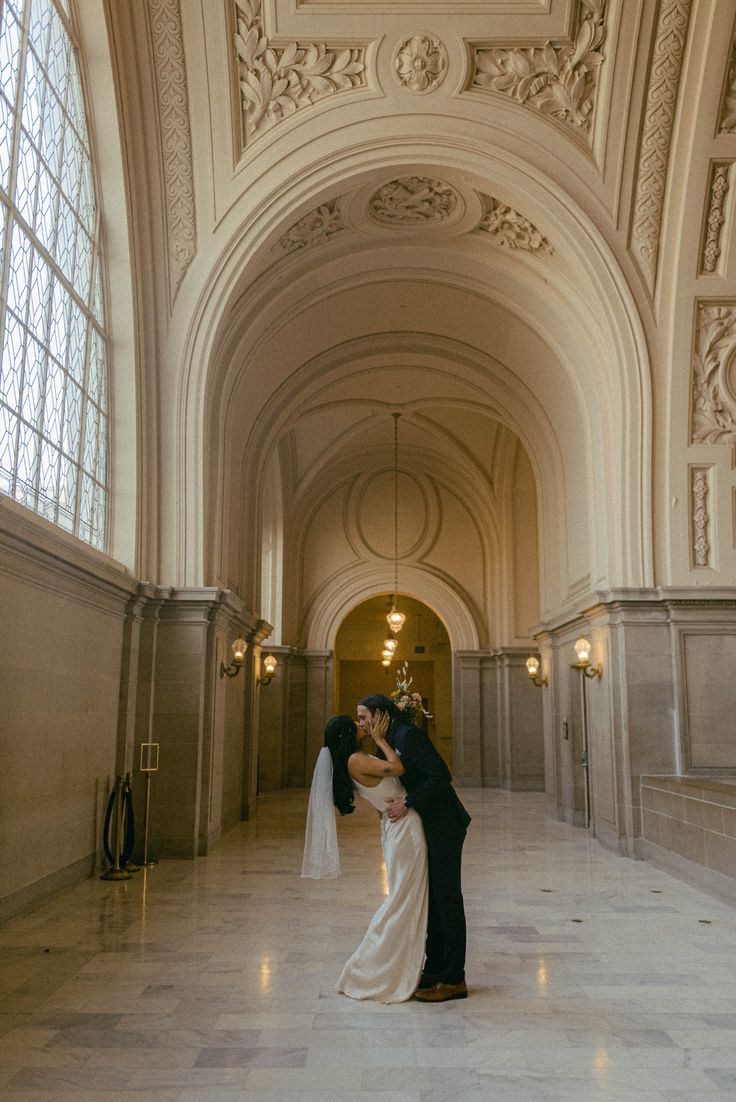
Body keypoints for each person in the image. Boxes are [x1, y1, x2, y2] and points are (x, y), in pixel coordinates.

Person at [301, 713, 428, 1003]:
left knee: (404, 898)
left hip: (395, 827)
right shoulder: (356, 760)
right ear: (347, 734)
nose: (363, 725)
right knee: (401, 901)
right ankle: (366, 969)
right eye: (356, 724)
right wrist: (382, 740)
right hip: (405, 830)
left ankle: (389, 966)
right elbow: (398, 767)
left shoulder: (354, 761)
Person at [357, 693, 470, 1002]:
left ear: (381, 715)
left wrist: (408, 801)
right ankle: (434, 969)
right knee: (432, 899)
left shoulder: (408, 735)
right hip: (428, 824)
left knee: (446, 899)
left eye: (364, 716)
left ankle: (454, 979)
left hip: (444, 823)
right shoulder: (391, 738)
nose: (361, 723)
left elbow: (440, 775)